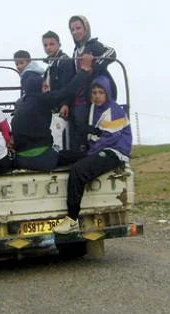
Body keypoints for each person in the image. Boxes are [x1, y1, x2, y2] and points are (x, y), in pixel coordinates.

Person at [54, 75, 132, 234]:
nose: (97, 96)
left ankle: (72, 219)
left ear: (107, 93)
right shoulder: (95, 108)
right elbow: (97, 135)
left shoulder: (114, 111)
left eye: (101, 92)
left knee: (78, 170)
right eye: (94, 92)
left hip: (114, 153)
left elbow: (108, 140)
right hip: (98, 149)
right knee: (62, 155)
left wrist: (88, 154)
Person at [11, 62, 93, 172]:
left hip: (21, 160)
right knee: (80, 156)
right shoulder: (42, 100)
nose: (48, 90)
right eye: (45, 87)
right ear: (38, 88)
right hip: (44, 159)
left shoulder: (20, 105)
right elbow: (68, 91)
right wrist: (83, 71)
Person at [61, 15, 117, 152]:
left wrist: (94, 67)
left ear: (86, 28)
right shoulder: (76, 51)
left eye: (78, 28)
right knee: (77, 126)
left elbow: (112, 53)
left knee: (92, 127)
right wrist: (66, 102)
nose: (75, 32)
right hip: (79, 97)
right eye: (72, 29)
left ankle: (96, 152)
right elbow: (75, 76)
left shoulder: (94, 45)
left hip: (93, 95)